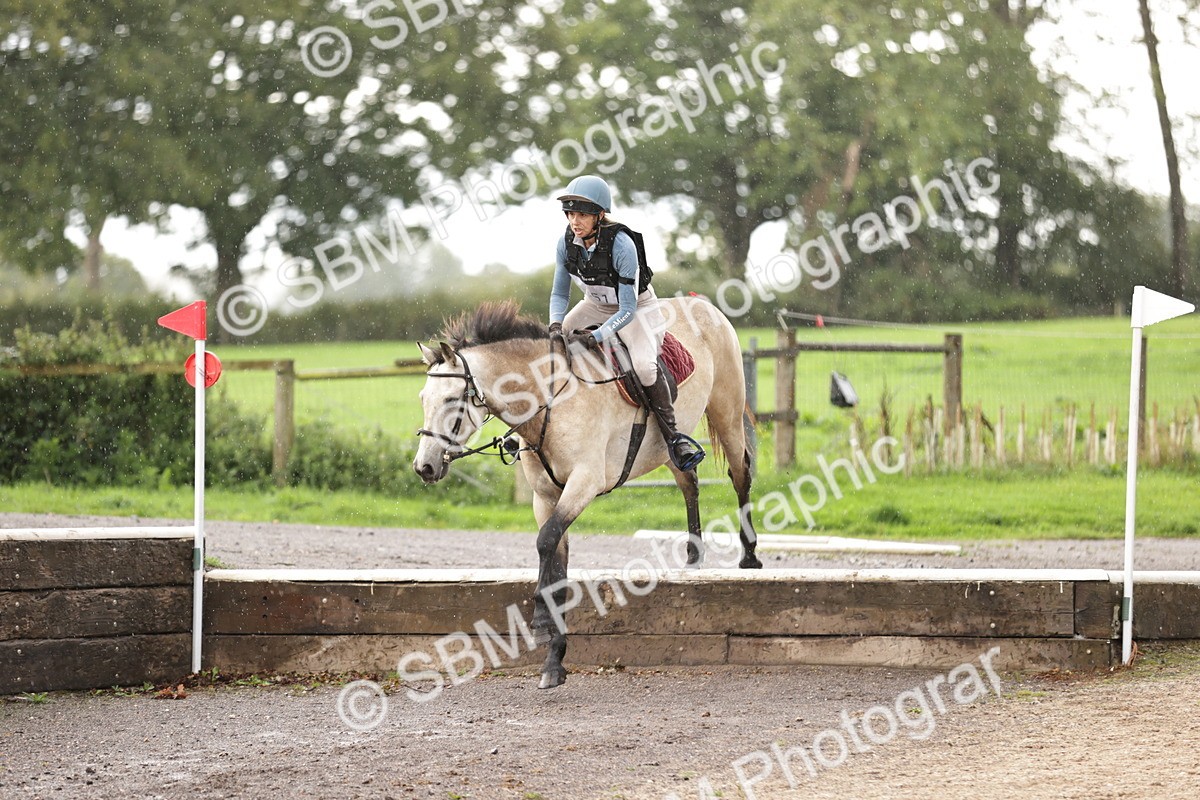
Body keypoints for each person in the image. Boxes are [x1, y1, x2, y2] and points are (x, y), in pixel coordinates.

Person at [548, 174, 705, 471]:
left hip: (637, 309)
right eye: (570, 214)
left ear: (600, 215)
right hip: (594, 305)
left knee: (645, 366)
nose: (574, 221)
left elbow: (628, 308)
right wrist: (557, 325)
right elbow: (559, 292)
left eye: (582, 214)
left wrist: (597, 337)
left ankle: (674, 438)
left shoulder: (622, 245)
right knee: (551, 347)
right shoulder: (565, 244)